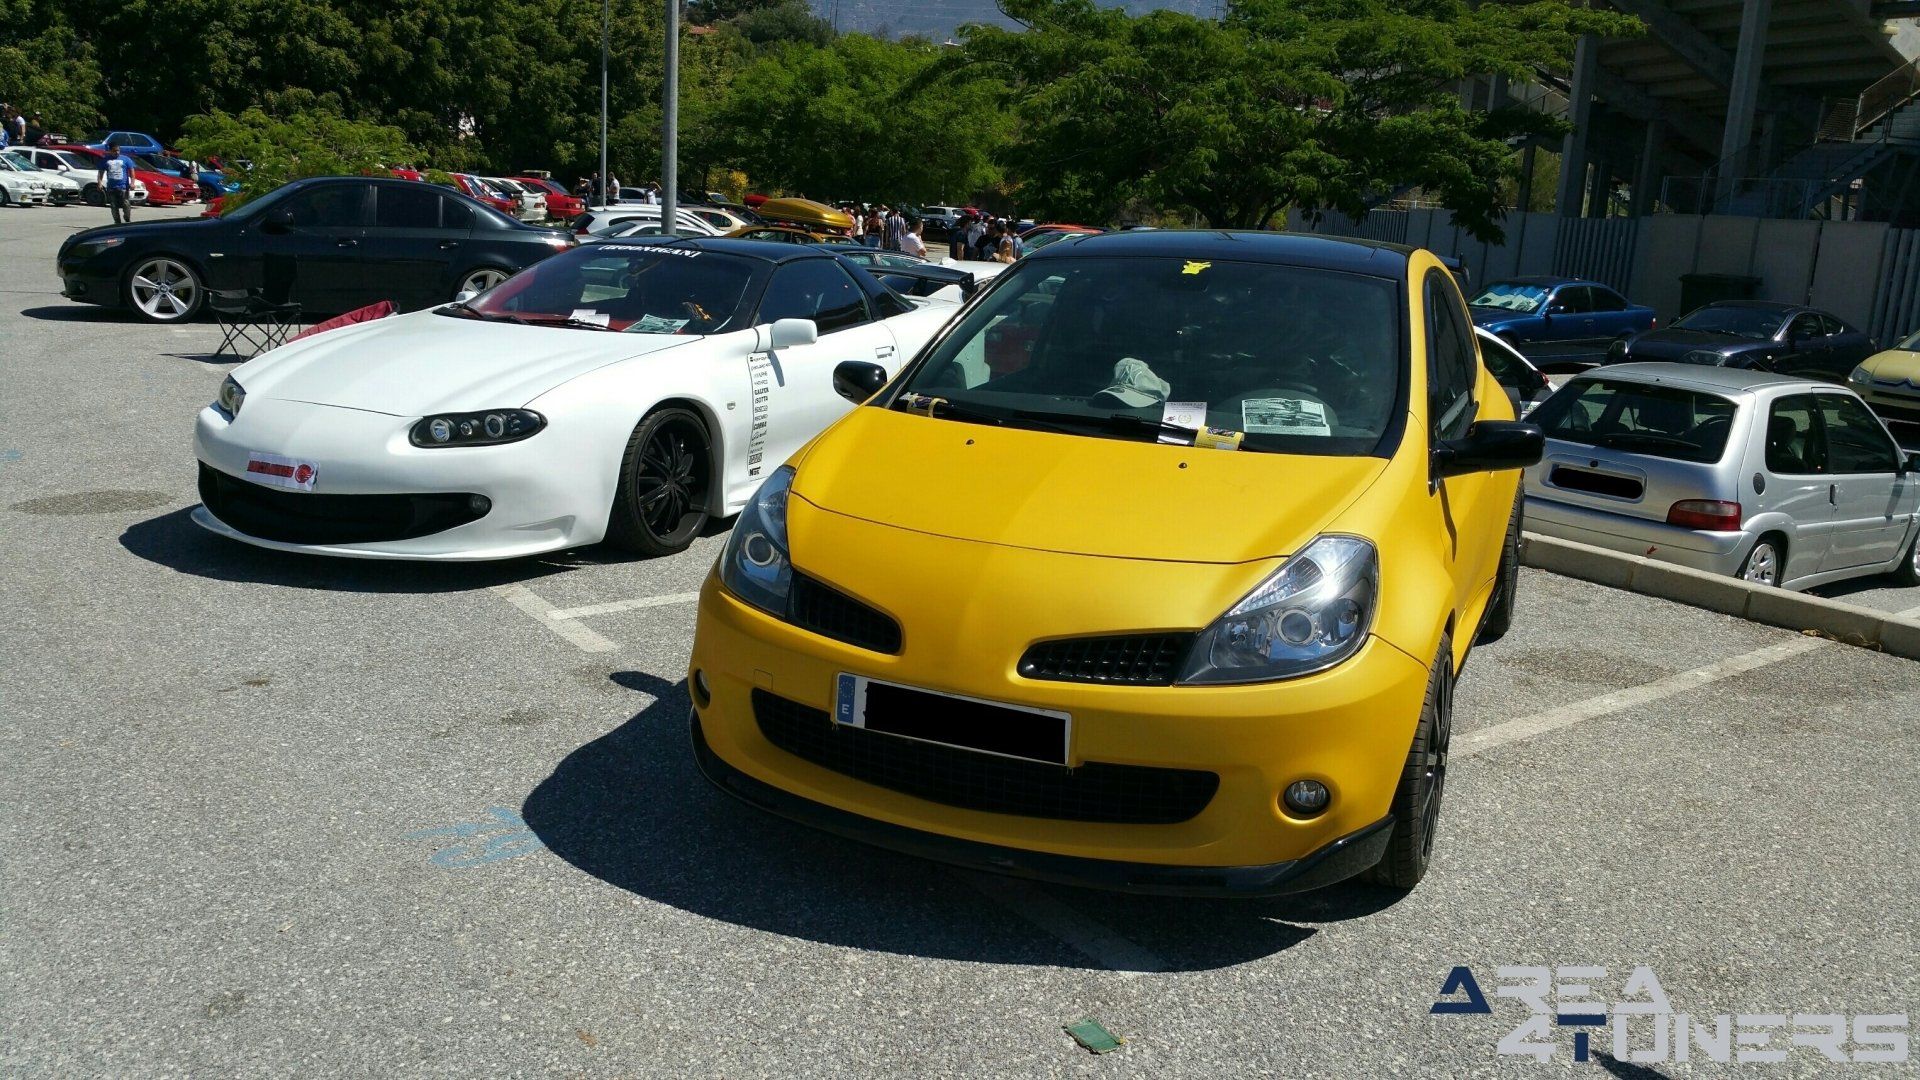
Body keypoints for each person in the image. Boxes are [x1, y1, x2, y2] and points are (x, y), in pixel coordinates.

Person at [100, 147, 135, 223]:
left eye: (118, 150)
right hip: (111, 187)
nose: (117, 152)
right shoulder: (106, 160)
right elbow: (100, 173)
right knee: (113, 206)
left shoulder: (126, 159)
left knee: (126, 204)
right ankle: (117, 222)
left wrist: (132, 183)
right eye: (114, 151)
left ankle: (127, 218)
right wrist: (99, 183)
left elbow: (132, 171)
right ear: (110, 151)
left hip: (123, 187)